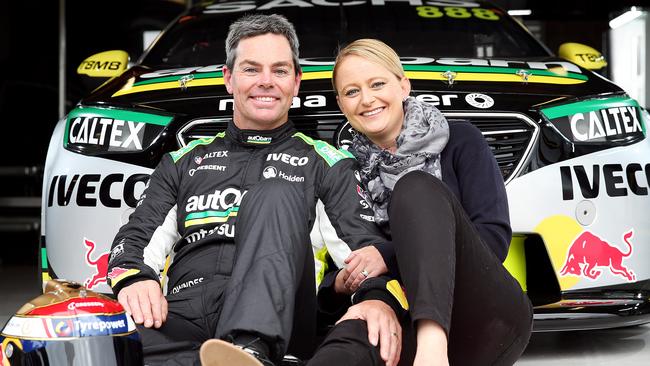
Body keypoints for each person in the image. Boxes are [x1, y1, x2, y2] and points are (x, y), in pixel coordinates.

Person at [106, 16, 404, 366]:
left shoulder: (327, 162)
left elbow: (365, 254)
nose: (266, 82)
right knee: (94, 342)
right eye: (251, 70)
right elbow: (135, 238)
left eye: (279, 71)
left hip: (284, 324)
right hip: (181, 316)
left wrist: (377, 299)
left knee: (274, 192)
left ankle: (249, 350)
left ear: (295, 82)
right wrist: (135, 280)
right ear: (229, 79)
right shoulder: (183, 160)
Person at [331, 39, 534, 366]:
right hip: (395, 315)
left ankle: (432, 348)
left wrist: (385, 256)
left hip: (483, 320)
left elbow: (494, 241)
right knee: (345, 343)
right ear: (342, 104)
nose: (367, 99)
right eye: (352, 92)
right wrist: (342, 282)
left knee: (415, 188)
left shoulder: (462, 140)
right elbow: (332, 264)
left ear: (403, 85)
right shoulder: (343, 169)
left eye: (378, 84)